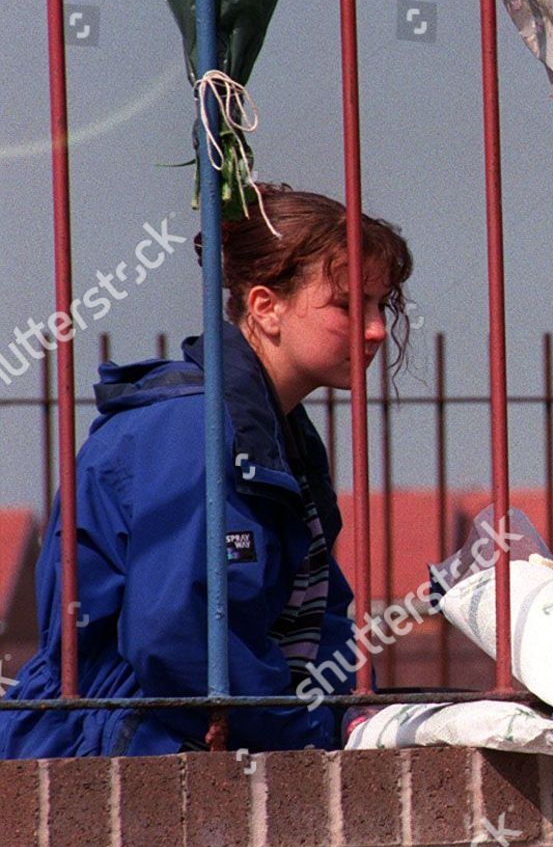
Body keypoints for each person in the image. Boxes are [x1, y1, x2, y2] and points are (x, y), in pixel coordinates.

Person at [0, 186, 413, 757]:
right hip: (118, 755)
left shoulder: (276, 429)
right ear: (265, 306)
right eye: (348, 306)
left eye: (380, 306)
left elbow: (317, 619)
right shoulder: (192, 427)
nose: (375, 330)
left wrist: (338, 719)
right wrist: (308, 731)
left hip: (194, 746)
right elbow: (178, 636)